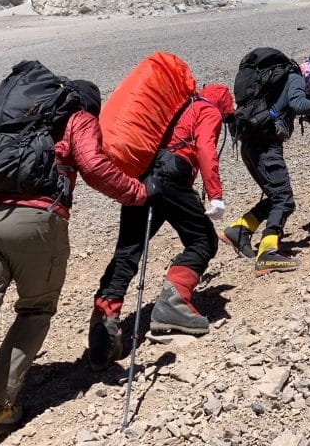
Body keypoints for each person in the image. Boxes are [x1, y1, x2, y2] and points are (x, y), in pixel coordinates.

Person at [0, 79, 149, 446]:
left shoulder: (7, 118)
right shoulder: (78, 117)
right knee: (34, 310)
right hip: (37, 222)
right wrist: (139, 193)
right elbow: (94, 166)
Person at [88, 84, 235, 370]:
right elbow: (205, 147)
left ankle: (105, 313)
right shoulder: (208, 110)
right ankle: (174, 303)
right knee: (203, 239)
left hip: (143, 177)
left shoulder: (180, 108)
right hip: (172, 177)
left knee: (129, 249)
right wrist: (215, 195)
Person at [221, 64, 310, 276]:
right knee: (284, 200)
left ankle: (239, 230)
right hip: (266, 146)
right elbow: (300, 104)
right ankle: (267, 254)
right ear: (309, 79)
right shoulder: (294, 78)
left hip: (251, 143)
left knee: (275, 196)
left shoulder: (275, 85)